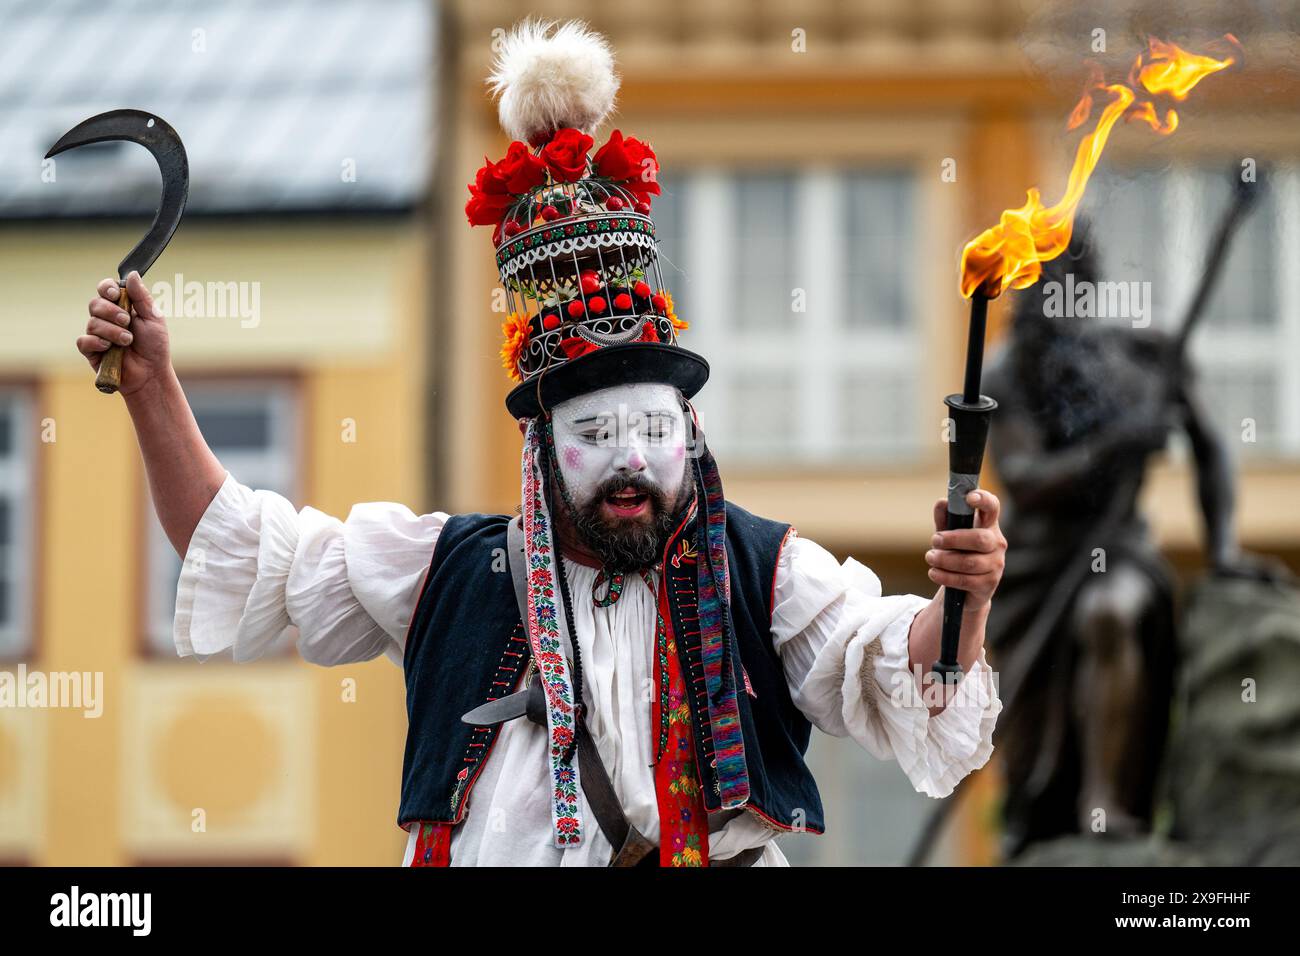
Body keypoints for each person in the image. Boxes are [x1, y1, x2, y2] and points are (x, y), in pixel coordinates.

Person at [76, 18, 1005, 866]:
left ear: (693, 433)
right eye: (596, 435)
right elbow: (243, 551)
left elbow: (896, 668)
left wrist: (961, 597)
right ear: (540, 448)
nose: (630, 462)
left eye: (653, 431)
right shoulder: (445, 570)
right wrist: (152, 385)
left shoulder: (761, 572)